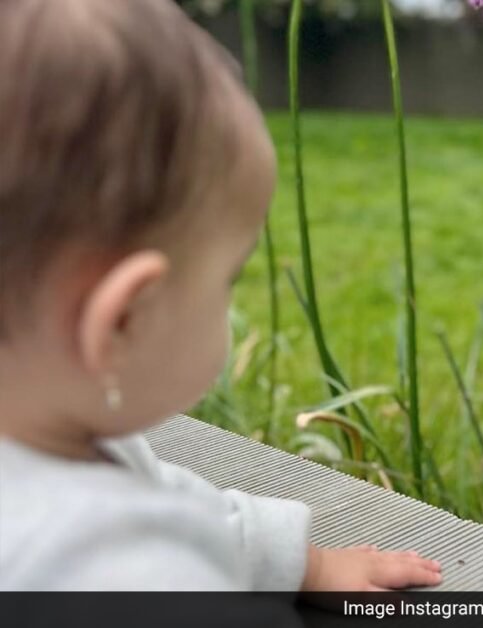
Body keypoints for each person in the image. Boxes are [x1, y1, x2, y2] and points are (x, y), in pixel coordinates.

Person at [0, 0, 442, 592]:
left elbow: (163, 500)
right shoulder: (123, 576)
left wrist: (304, 563)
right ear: (123, 320)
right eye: (228, 278)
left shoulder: (57, 435)